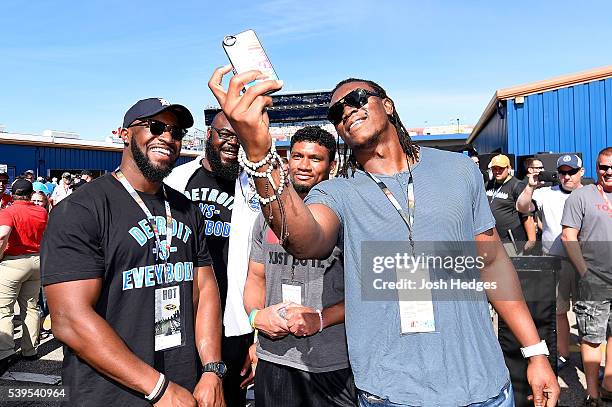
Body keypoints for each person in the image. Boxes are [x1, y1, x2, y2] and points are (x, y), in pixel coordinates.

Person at [208, 67, 559, 406]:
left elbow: (493, 264)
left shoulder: (459, 170)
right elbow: (304, 240)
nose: (347, 111)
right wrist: (258, 151)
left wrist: (535, 352)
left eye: (357, 99)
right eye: (336, 111)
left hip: (484, 389)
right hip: (390, 394)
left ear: (388, 105)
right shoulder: (337, 193)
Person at [41, 98, 225, 406]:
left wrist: (211, 369)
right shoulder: (81, 209)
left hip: (184, 385)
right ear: (125, 134)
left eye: (176, 132)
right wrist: (158, 388)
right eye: (155, 127)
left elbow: (204, 288)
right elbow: (69, 318)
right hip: (112, 393)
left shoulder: (185, 209)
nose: (167, 137)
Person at [243, 126, 356, 407]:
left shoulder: (347, 219)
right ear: (287, 159)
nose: (304, 166)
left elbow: (368, 292)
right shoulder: (266, 217)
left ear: (333, 164)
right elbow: (255, 279)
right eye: (297, 156)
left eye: (315, 159)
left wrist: (321, 318)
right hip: (274, 360)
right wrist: (256, 318)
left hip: (331, 364)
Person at [166, 111, 257, 407]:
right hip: (180, 315)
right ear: (209, 136)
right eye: (225, 135)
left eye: (240, 137)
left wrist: (256, 339)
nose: (232, 143)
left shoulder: (254, 187)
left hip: (233, 321)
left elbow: (264, 265)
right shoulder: (177, 179)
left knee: (228, 397)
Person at [516, 154, 584, 371]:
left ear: (581, 172)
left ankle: (589, 358)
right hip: (556, 262)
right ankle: (563, 354)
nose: (567, 177)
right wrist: (530, 187)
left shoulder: (590, 194)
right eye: (562, 172)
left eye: (571, 172)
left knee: (587, 313)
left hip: (585, 262)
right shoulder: (546, 194)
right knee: (560, 312)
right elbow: (522, 207)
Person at [561, 147, 612, 406]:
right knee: (592, 337)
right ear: (596, 168)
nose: (608, 171)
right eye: (603, 167)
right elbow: (568, 236)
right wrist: (584, 272)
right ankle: (592, 393)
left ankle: (609, 384)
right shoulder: (581, 196)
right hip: (594, 280)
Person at [0, 180, 48, 372]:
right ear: (30, 194)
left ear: (13, 193)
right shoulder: (41, 211)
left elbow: (3, 235)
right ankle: (30, 350)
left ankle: (5, 352)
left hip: (14, 262)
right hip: (36, 261)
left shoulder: (9, 211)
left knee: (4, 308)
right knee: (30, 307)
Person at [485, 154, 536, 255]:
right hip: (491, 238)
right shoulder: (488, 184)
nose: (497, 171)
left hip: (510, 240)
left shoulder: (517, 185)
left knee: (511, 268)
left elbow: (526, 214)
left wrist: (531, 239)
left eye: (501, 168)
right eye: (494, 168)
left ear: (509, 168)